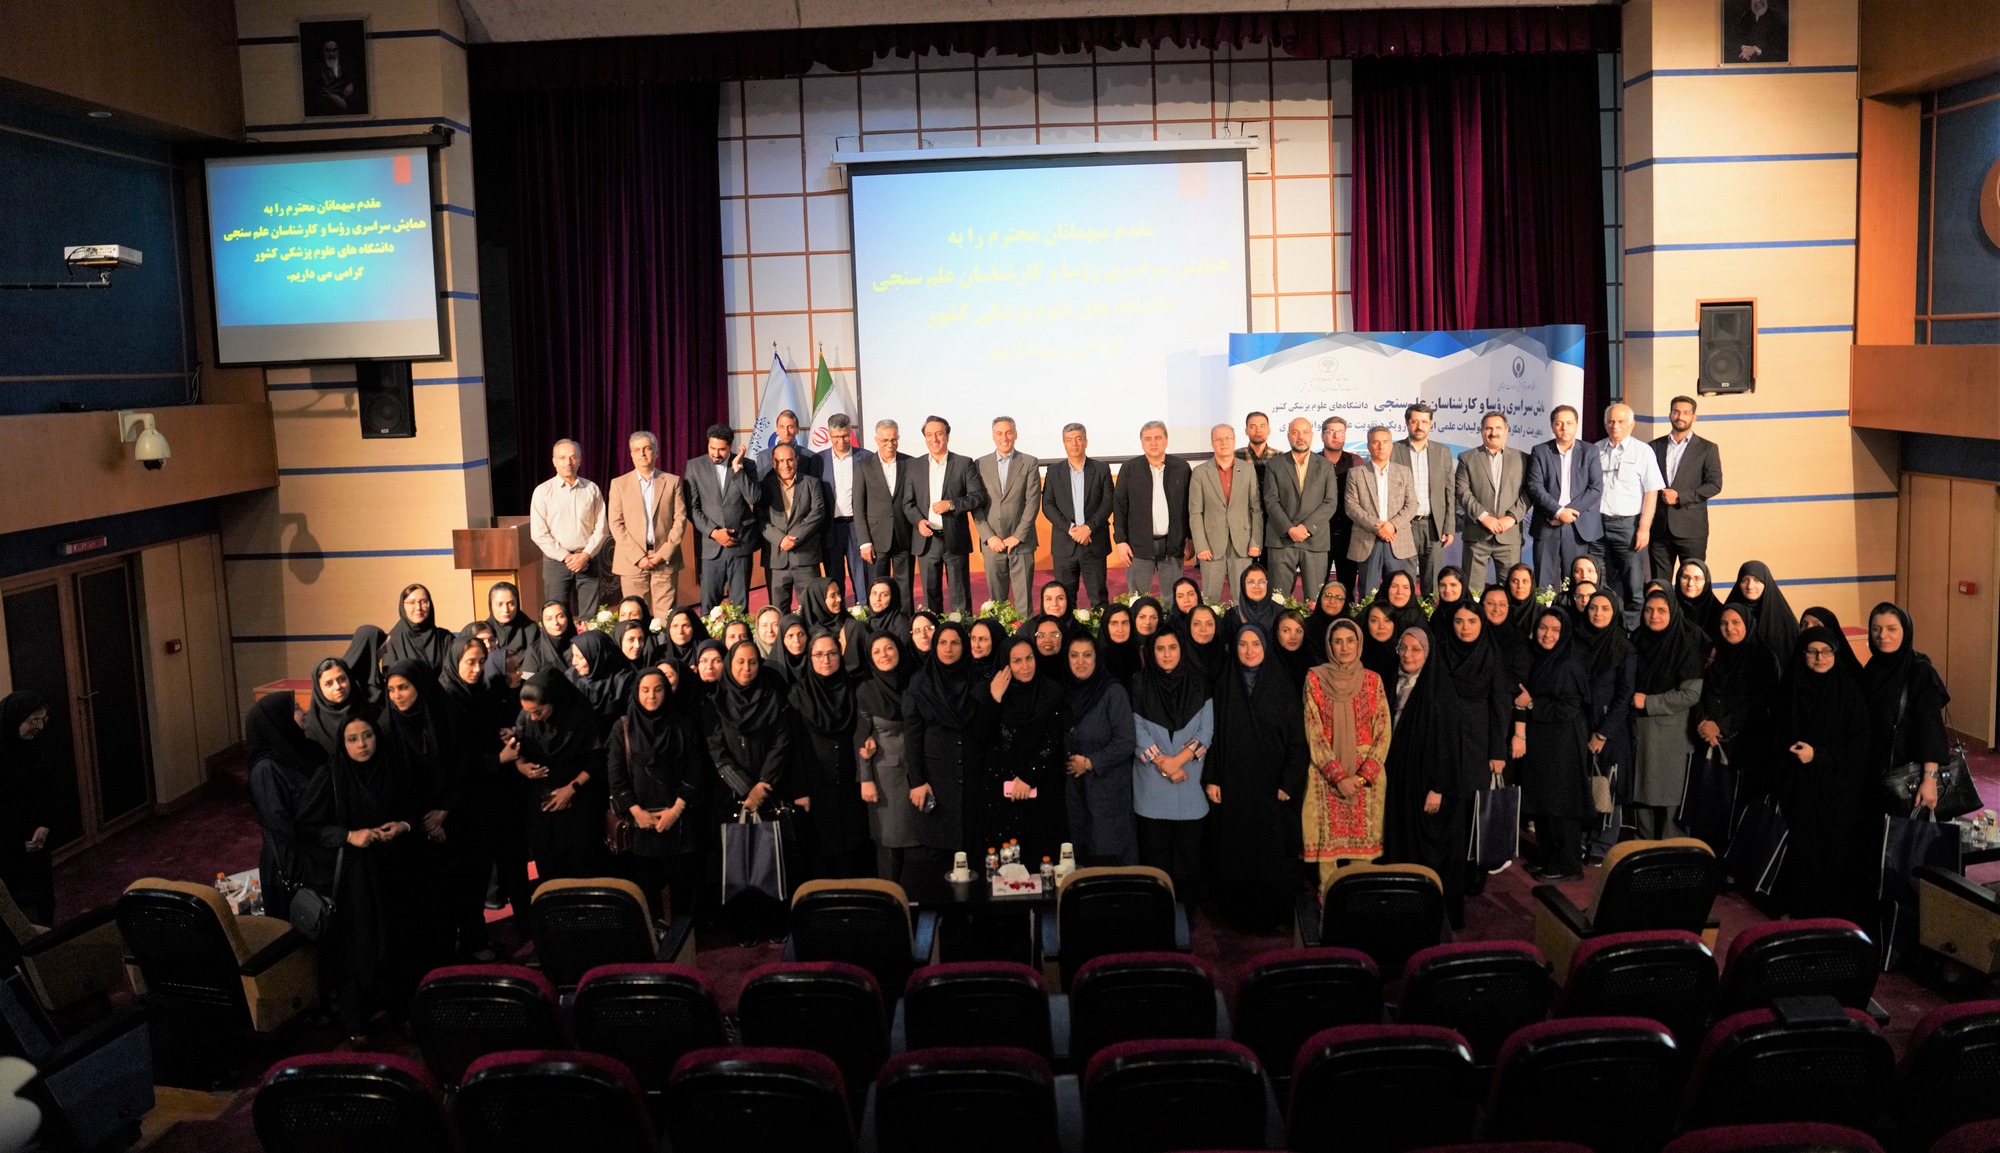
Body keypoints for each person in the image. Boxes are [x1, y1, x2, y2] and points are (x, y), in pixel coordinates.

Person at [297, 716, 425, 1038]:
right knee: (358, 946)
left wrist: (403, 826)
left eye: (368, 736)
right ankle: (357, 1021)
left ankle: (402, 1011)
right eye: (352, 739)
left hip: (394, 870)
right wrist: (349, 835)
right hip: (355, 879)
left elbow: (413, 807)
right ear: (342, 743)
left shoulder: (392, 767)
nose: (362, 745)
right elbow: (307, 826)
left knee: (398, 941)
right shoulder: (332, 774)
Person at [1205, 623, 1308, 932]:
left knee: (1272, 851)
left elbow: (1298, 741)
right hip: (1234, 785)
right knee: (1238, 851)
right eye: (1243, 644)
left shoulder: (1281, 685)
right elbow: (1212, 737)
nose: (1249, 651)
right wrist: (1213, 778)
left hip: (1272, 787)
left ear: (1266, 648)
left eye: (1256, 644)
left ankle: (1273, 913)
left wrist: (1288, 784)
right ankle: (1237, 913)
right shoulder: (1225, 685)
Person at [1774, 627, 1871, 921]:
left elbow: (1859, 743)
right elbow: (1775, 729)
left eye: (1827, 651)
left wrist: (1818, 755)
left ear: (1836, 653)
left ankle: (1830, 914)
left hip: (1836, 787)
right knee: (1801, 848)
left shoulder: (1848, 692)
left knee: (1832, 850)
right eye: (1813, 651)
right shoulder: (1790, 686)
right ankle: (1801, 909)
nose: (1820, 657)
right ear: (1802, 653)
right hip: (1797, 782)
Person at [1381, 627, 1474, 926]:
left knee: (1426, 849)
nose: (1408, 655)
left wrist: (1438, 787)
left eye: (1416, 650)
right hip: (1401, 779)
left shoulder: (1439, 691)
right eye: (1403, 648)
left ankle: (1429, 914)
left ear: (1428, 654)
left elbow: (1448, 745)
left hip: (1428, 785)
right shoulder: (1393, 681)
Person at [608, 667, 707, 922]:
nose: (651, 696)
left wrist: (676, 810)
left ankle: (683, 938)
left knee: (683, 890)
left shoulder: (683, 725)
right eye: (645, 690)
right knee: (648, 891)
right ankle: (655, 937)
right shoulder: (623, 728)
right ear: (636, 692)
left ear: (667, 691)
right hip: (642, 823)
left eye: (658, 689)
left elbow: (696, 772)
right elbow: (616, 776)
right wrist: (636, 812)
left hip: (679, 820)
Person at [904, 622, 999, 885]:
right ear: (935, 646)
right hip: (935, 780)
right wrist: (917, 781)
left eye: (955, 643)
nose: (948, 649)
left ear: (964, 646)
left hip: (974, 777)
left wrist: (992, 700)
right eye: (943, 643)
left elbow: (985, 730)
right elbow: (912, 737)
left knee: (975, 856)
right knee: (938, 859)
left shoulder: (978, 679)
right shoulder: (920, 683)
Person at [1302, 618, 1392, 885]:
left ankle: (1358, 900)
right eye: (1338, 641)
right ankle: (1328, 899)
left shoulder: (1373, 680)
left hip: (1366, 778)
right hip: (1326, 774)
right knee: (1328, 854)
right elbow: (1313, 730)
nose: (1344, 648)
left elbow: (1384, 731)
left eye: (1350, 641)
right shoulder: (1315, 678)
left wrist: (1363, 777)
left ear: (1358, 643)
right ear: (1329, 645)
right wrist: (1338, 777)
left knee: (1362, 857)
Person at [436, 633, 508, 958]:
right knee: (466, 878)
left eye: (481, 662)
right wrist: (496, 759)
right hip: (460, 805)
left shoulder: (477, 694)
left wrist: (499, 735)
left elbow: (479, 736)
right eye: (470, 662)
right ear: (455, 662)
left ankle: (476, 937)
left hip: (483, 799)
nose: (477, 669)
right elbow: (454, 756)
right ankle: (471, 944)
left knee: (478, 875)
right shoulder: (448, 698)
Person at [1130, 630, 1214, 904]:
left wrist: (1176, 762)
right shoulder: (1139, 683)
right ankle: (1158, 912)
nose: (1167, 654)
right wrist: (1164, 763)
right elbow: (1136, 729)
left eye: (1172, 648)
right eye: (1160, 649)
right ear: (1151, 653)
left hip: (1189, 783)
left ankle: (1187, 913)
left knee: (1188, 860)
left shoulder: (1200, 683)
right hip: (1152, 786)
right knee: (1155, 860)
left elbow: (1206, 730)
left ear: (1182, 650)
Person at [505, 671, 605, 882]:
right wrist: (521, 766)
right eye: (529, 712)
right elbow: (518, 748)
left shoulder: (579, 717)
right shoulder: (527, 716)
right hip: (542, 808)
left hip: (577, 806)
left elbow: (595, 759)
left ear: (554, 701)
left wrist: (571, 789)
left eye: (538, 712)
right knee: (550, 874)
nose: (533, 718)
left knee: (582, 874)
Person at [1519, 609, 1594, 881]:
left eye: (1555, 630)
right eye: (1543, 628)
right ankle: (1550, 857)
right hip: (1545, 742)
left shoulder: (1568, 664)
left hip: (1562, 745)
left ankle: (1567, 864)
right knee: (1544, 803)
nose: (1547, 634)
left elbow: (1568, 709)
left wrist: (1532, 704)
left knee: (1560, 805)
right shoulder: (1544, 658)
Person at [790, 632, 872, 879]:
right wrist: (800, 789)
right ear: (810, 657)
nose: (825, 660)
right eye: (818, 654)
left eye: (832, 653)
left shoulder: (853, 688)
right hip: (815, 787)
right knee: (820, 855)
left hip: (850, 784)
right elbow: (793, 746)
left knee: (853, 853)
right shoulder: (798, 694)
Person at [1627, 591, 1705, 840]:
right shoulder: (1637, 640)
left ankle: (1672, 856)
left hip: (1671, 737)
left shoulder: (1684, 645)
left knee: (1670, 801)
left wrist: (1650, 702)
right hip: (1639, 733)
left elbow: (1690, 694)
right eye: (1649, 610)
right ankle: (1645, 853)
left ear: (1673, 613)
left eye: (1662, 610)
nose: (1654, 616)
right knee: (1642, 797)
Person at [1861, 603, 1951, 815]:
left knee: (1903, 832)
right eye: (1876, 629)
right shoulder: (1873, 668)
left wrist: (1930, 779)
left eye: (1891, 629)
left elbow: (1931, 729)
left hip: (1907, 776)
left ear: (1906, 631)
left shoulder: (1920, 671)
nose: (1882, 636)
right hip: (1875, 771)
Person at [1696, 603, 1781, 824]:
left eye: (1736, 623)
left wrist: (1721, 726)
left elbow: (1758, 701)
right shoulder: (1711, 654)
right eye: (1724, 623)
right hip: (1710, 742)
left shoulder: (1762, 657)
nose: (1729, 628)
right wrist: (1704, 721)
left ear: (1748, 624)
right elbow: (1697, 692)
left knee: (1742, 810)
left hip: (1748, 745)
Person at [986, 638, 1069, 865]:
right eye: (1017, 661)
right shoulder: (996, 690)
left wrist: (1028, 777)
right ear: (1006, 664)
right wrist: (994, 699)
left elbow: (1053, 740)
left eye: (1029, 658)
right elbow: (983, 734)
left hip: (1042, 786)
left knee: (1042, 858)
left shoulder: (1051, 692)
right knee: (1006, 861)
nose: (1025, 666)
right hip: (1003, 790)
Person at [245, 692, 326, 923]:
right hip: (294, 863)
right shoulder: (266, 769)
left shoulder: (303, 750)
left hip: (315, 856)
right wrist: (327, 838)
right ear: (278, 719)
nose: (304, 712)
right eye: (296, 708)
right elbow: (281, 825)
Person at [1062, 634, 1138, 866]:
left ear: (1097, 658)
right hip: (1076, 792)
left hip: (1109, 791)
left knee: (1109, 856)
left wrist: (1090, 762)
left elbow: (1126, 741)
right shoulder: (1066, 691)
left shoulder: (1112, 692)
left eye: (1087, 655)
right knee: (1081, 857)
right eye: (1074, 656)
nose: (1080, 662)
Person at [1573, 592, 1636, 865]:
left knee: (1608, 785)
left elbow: (1625, 695)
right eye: (1593, 608)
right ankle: (1582, 837)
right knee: (1584, 783)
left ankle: (1602, 843)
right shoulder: (1576, 641)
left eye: (1605, 608)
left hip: (1609, 729)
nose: (1597, 613)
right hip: (1579, 723)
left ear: (1615, 612)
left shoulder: (1623, 647)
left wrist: (1602, 733)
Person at [903, 416, 988, 613]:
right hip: (927, 540)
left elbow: (978, 497)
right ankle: (933, 629)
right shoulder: (913, 466)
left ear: (947, 436)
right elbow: (907, 503)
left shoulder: (963, 463)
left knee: (960, 596)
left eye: (939, 434)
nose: (934, 439)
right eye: (929, 435)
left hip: (955, 538)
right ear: (925, 438)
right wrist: (918, 522)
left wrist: (951, 504)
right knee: (930, 596)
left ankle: (961, 628)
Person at [1593, 404, 1665, 628]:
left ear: (1632, 425)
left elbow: (1651, 493)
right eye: (1611, 421)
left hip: (1628, 526)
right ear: (1605, 424)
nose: (1615, 426)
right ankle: (1607, 629)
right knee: (1600, 582)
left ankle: (1631, 632)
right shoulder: (1595, 449)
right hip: (1596, 526)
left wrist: (1644, 528)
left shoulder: (1643, 451)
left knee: (1633, 586)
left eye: (1621, 421)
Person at [855, 634, 920, 882]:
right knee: (889, 848)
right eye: (877, 651)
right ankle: (890, 901)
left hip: (920, 774)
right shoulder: (866, 690)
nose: (884, 655)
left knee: (920, 847)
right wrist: (866, 779)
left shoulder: (916, 681)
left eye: (889, 648)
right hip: (886, 781)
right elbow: (861, 738)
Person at [530, 439, 612, 620]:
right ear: (554, 461)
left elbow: (601, 528)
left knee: (590, 618)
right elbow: (539, 533)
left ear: (580, 460)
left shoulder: (592, 489)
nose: (568, 462)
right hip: (556, 562)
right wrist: (566, 557)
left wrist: (585, 555)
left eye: (573, 457)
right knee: (557, 615)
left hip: (588, 559)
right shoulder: (543, 491)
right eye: (562, 458)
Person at [609, 430, 688, 617]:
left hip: (664, 558)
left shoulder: (672, 481)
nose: (642, 454)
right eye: (637, 450)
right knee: (635, 616)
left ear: (656, 452)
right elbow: (616, 523)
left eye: (647, 448)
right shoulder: (619, 484)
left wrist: (664, 553)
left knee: (666, 617)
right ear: (631, 454)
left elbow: (680, 519)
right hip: (632, 561)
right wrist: (638, 557)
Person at [1263, 417, 1341, 602]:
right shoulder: (1274, 464)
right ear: (1288, 435)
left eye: (1305, 432)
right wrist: (1289, 529)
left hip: (1314, 540)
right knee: (1278, 600)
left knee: (1315, 600)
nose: (1300, 437)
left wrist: (1306, 527)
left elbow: (1330, 502)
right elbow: (1271, 500)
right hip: (1282, 540)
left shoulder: (1325, 466)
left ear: (1312, 435)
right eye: (1295, 432)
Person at [1112, 421, 1194, 597]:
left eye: (1158, 438)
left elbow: (1190, 506)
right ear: (1142, 442)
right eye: (1148, 439)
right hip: (1138, 546)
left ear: (1166, 440)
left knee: (1172, 598)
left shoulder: (1181, 467)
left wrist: (1191, 538)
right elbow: (1119, 507)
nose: (1153, 443)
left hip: (1173, 545)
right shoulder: (1129, 469)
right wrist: (1120, 541)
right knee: (1138, 599)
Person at [1526, 406, 1604, 590]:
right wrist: (1558, 512)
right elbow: (1535, 486)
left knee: (1576, 582)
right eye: (1559, 423)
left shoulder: (1590, 451)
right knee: (1544, 584)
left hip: (1578, 526)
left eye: (1569, 423)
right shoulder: (1540, 451)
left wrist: (1567, 514)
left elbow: (1595, 488)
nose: (1564, 428)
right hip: (1547, 524)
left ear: (1577, 425)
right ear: (1552, 426)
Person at [686, 423, 761, 611]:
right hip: (711, 547)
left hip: (740, 544)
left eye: (721, 449)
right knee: (709, 607)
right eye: (712, 448)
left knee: (740, 608)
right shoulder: (694, 466)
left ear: (730, 447)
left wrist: (737, 469)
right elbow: (692, 508)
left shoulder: (746, 465)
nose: (716, 454)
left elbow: (753, 498)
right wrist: (714, 532)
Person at [1648, 396, 1724, 578]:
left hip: (1692, 530)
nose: (1680, 416)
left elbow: (1714, 485)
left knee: (1692, 582)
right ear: (1670, 415)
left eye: (1686, 413)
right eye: (1676, 412)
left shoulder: (1707, 448)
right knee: (1660, 584)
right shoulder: (1653, 447)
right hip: (1659, 529)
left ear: (1694, 417)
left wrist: (1680, 497)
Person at [1041, 422, 1115, 609]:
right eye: (1069, 440)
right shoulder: (1054, 471)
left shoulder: (1101, 469)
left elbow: (1108, 502)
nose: (1074, 444)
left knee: (1099, 599)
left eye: (1078, 439)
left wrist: (1088, 527)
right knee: (1064, 600)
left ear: (1086, 441)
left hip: (1093, 542)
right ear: (1064, 444)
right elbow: (1047, 505)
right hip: (1065, 544)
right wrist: (1071, 529)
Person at [1189, 423, 1265, 600]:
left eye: (1228, 438)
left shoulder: (1247, 469)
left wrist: (1256, 541)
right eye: (1218, 439)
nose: (1223, 442)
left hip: (1243, 543)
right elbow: (1195, 512)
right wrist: (1201, 545)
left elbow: (1256, 508)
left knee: (1242, 598)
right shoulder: (1200, 473)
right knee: (1210, 598)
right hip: (1211, 545)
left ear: (1234, 440)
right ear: (1212, 443)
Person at [1455, 412, 1530, 586]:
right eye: (1488, 428)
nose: (1493, 433)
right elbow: (1462, 491)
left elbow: (1529, 493)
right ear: (1482, 431)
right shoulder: (1467, 458)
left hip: (1509, 535)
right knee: (1472, 591)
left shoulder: (1523, 459)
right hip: (1477, 534)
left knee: (1510, 591)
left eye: (1498, 428)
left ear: (1506, 430)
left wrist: (1512, 518)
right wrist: (1484, 517)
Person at [974, 416, 1041, 610]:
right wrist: (989, 536)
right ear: (993, 436)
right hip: (992, 544)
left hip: (1021, 543)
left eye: (1009, 432)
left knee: (1023, 604)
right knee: (997, 604)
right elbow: (976, 505)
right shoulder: (979, 464)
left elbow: (1032, 503)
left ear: (1016, 434)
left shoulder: (1029, 462)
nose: (1004, 438)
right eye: (999, 433)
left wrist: (1017, 536)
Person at [1343, 426, 1416, 597]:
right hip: (1367, 540)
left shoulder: (1404, 472)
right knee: (1368, 593)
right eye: (1376, 442)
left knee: (1398, 593)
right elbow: (1351, 506)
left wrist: (1392, 525)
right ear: (1368, 446)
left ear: (1391, 445)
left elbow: (1412, 504)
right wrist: (1378, 527)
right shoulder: (1356, 473)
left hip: (1397, 539)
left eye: (1385, 442)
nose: (1381, 446)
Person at [1392, 403, 1456, 593]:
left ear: (1431, 424)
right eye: (1415, 421)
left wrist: (1449, 526)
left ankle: (1431, 611)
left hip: (1433, 525)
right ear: (1407, 423)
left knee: (1433, 581)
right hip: (1404, 525)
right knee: (1405, 580)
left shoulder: (1443, 452)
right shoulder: (1394, 450)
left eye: (1424, 422)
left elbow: (1449, 491)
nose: (1419, 426)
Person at [855, 419, 918, 608]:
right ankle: (878, 622)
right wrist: (865, 542)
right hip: (876, 540)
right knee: (877, 588)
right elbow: (858, 506)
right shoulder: (864, 466)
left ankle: (905, 621)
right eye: (885, 440)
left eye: (894, 439)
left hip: (903, 536)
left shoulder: (910, 463)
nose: (890, 444)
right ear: (876, 440)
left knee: (905, 589)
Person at [758, 442, 825, 611]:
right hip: (776, 559)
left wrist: (794, 539)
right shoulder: (764, 486)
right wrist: (781, 539)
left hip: (805, 557)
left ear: (797, 460)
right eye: (781, 461)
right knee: (778, 611)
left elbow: (817, 513)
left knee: (812, 609)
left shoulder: (811, 483)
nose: (786, 465)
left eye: (790, 460)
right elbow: (760, 519)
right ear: (773, 463)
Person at [813, 413, 866, 599]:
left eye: (844, 436)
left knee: (862, 579)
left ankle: (864, 611)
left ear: (850, 432)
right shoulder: (817, 461)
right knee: (834, 580)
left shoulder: (865, 458)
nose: (841, 441)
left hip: (856, 527)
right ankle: (838, 613)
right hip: (830, 529)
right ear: (829, 434)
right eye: (836, 437)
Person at [1319, 417, 1365, 597]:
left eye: (1340, 432)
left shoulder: (1356, 461)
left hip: (1349, 533)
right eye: (1331, 432)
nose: (1336, 436)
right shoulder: (1314, 461)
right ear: (1322, 435)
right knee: (1318, 586)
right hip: (1321, 532)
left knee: (1347, 584)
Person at [1727, 560, 1800, 672]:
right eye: (1744, 580)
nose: (1750, 586)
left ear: (1766, 583)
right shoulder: (1728, 614)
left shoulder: (1785, 620)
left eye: (1757, 580)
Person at [381, 583, 455, 687]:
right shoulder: (392, 641)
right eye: (411, 603)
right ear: (403, 606)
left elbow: (452, 673)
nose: (418, 607)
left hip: (442, 694)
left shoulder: (445, 638)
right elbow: (392, 679)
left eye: (423, 602)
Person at [567, 630, 634, 736]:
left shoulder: (624, 680)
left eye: (580, 657)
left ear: (597, 656)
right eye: (573, 656)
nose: (574, 662)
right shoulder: (571, 678)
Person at [303, 656, 371, 759]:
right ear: (319, 688)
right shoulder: (311, 725)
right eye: (328, 684)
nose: (338, 686)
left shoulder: (370, 711)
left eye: (342, 679)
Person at [754, 409, 822, 479]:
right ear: (777, 430)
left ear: (797, 429)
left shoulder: (811, 457)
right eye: (782, 427)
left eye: (790, 427)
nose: (786, 432)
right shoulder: (763, 457)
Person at [480, 582, 537, 660]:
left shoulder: (531, 631)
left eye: (511, 604)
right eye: (499, 604)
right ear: (491, 605)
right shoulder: (483, 633)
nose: (506, 610)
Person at [1222, 563, 1280, 637]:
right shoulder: (1232, 616)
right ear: (1243, 585)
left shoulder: (1279, 613)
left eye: (1262, 582)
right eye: (1251, 582)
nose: (1256, 586)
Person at [1675, 560, 1726, 642]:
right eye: (1685, 577)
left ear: (1706, 581)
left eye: (1697, 579)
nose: (1690, 583)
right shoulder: (1668, 609)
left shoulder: (1719, 612)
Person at [1302, 577, 1350, 664]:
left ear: (1345, 602)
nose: (1332, 601)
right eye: (1327, 596)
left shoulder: (1352, 628)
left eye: (1338, 598)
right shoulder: (1305, 626)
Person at [1099, 605, 1143, 686]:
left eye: (1125, 623)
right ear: (1105, 626)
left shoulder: (1141, 655)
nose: (1120, 629)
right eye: (1114, 623)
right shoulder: (1095, 659)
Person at [1236, 410, 1280, 488]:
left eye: (1262, 426)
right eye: (1253, 427)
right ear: (1246, 431)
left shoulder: (1280, 457)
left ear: (1269, 430)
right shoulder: (1235, 456)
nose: (1258, 430)